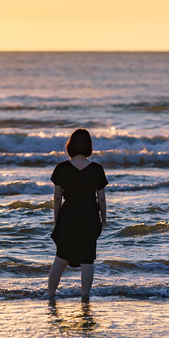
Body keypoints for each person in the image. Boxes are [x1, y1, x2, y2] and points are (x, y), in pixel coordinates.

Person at [47, 128, 108, 300]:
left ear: (70, 145)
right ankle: (84, 298)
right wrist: (104, 218)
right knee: (87, 259)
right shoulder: (97, 169)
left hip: (69, 214)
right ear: (89, 146)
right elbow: (101, 199)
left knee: (60, 258)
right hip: (89, 215)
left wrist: (57, 218)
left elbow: (57, 197)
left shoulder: (61, 168)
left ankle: (50, 295)